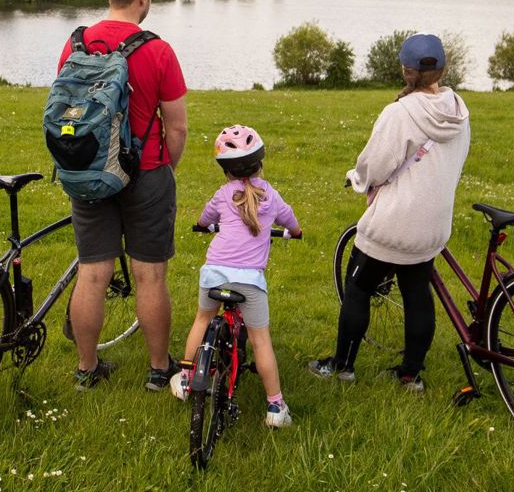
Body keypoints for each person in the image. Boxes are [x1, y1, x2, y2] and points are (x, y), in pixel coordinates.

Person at [309, 33, 470, 391]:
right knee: (417, 294)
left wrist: (357, 179)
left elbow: (375, 166)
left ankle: (342, 366)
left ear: (405, 70)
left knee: (359, 287)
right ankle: (411, 375)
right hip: (433, 224)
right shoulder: (459, 111)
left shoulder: (399, 113)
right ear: (442, 68)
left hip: (394, 224)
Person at [56, 0, 188, 391]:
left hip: (89, 171)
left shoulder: (75, 44)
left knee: (93, 272)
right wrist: (164, 167)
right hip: (146, 171)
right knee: (150, 274)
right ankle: (157, 370)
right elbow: (178, 126)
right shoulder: (157, 49)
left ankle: (87, 369)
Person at [171, 125, 301, 428]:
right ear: (260, 162)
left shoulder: (222, 194)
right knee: (260, 341)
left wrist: (203, 226)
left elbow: (205, 219)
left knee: (202, 321)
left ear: (225, 170)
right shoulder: (271, 195)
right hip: (250, 283)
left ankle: (188, 378)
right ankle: (275, 407)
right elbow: (290, 220)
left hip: (214, 273)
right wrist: (295, 232)